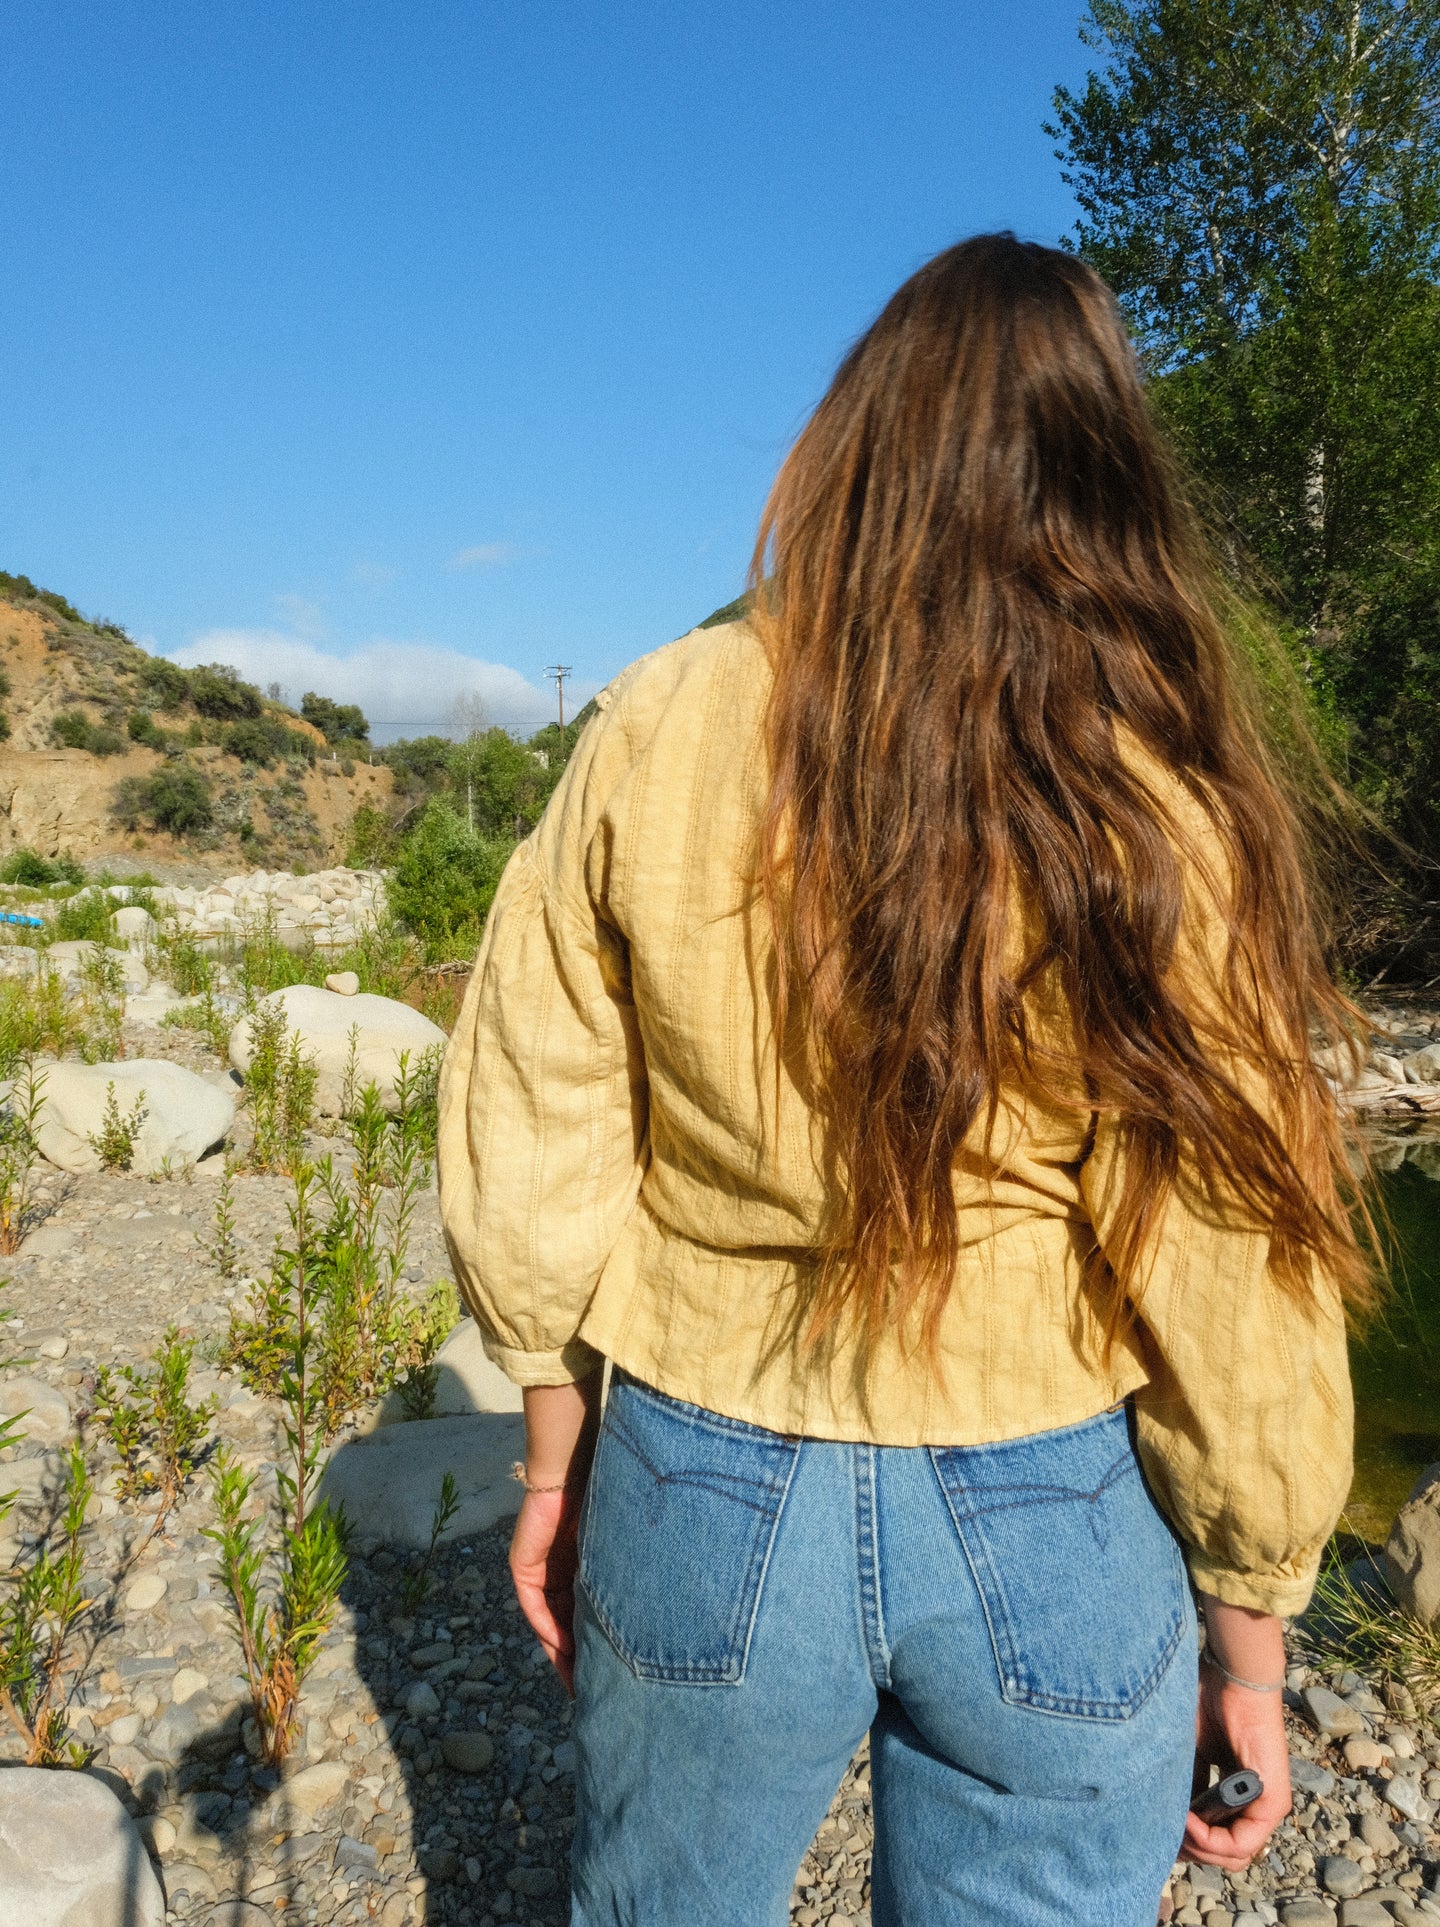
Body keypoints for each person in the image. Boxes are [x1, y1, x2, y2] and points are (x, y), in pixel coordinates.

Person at [437, 234, 1369, 1927]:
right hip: (1049, 1499)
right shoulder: (1148, 779)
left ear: (852, 442)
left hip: (703, 1467)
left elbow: (538, 1107)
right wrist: (1249, 1621)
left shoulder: (663, 716)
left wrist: (555, 1451)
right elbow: (1228, 1248)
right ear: (1099, 472)